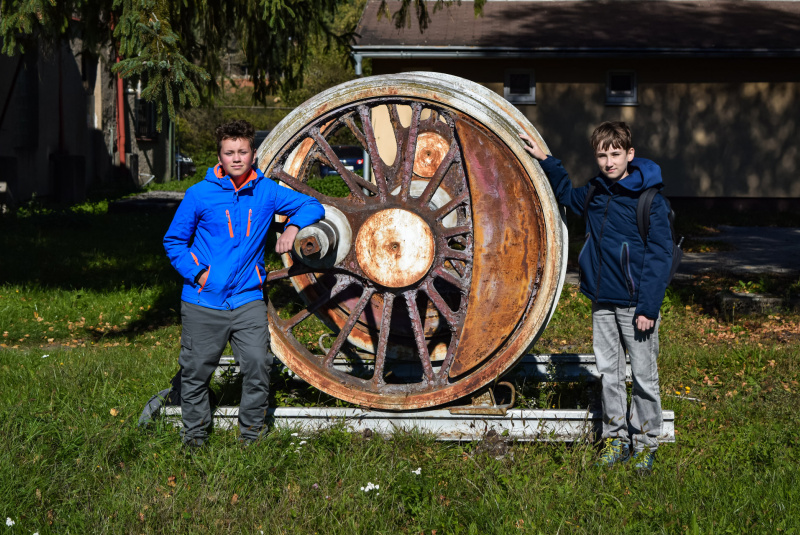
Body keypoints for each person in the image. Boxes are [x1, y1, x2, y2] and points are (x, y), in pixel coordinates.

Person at [520, 122, 672, 474]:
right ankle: (616, 439)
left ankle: (646, 443)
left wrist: (648, 307)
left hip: (638, 306)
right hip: (603, 301)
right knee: (608, 374)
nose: (608, 161)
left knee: (645, 378)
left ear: (630, 155)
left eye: (615, 154)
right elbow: (568, 197)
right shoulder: (596, 191)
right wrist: (547, 160)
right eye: (602, 155)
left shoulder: (650, 199)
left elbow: (660, 256)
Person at [164, 119, 324, 447]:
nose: (236, 158)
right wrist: (199, 274)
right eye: (229, 152)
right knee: (195, 374)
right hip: (202, 301)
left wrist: (292, 228)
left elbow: (312, 205)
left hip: (247, 300)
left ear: (253, 154)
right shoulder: (199, 195)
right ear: (219, 156)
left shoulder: (266, 192)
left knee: (258, 366)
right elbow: (174, 241)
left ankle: (251, 438)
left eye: (242, 151)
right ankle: (194, 440)